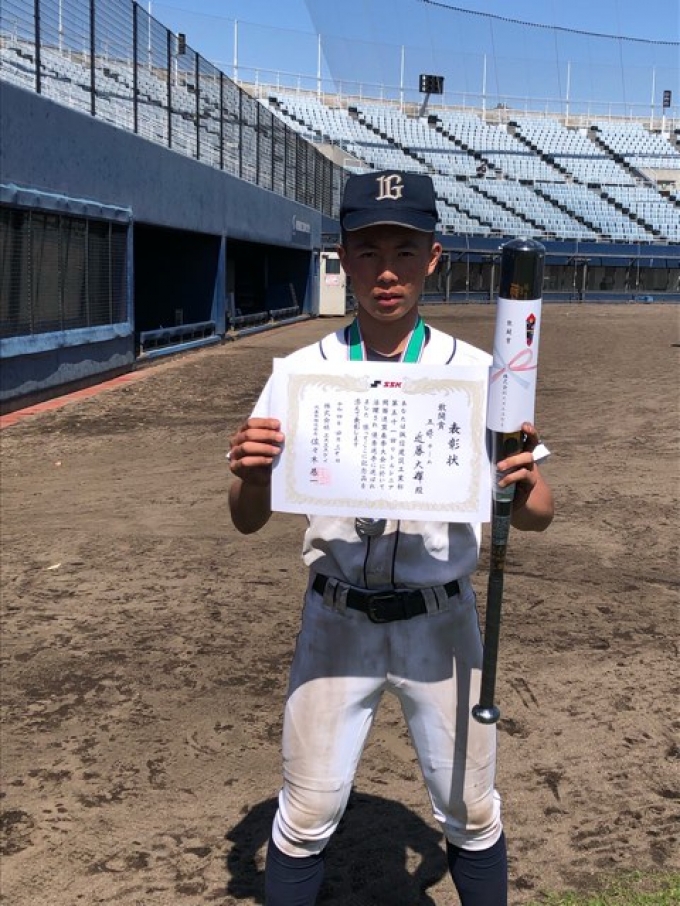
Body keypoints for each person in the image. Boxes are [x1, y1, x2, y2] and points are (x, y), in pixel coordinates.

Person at [227, 170, 554, 906]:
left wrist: (524, 480)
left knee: (471, 812)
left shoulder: (480, 375)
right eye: (368, 250)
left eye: (404, 251)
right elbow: (246, 517)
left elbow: (538, 513)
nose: (386, 271)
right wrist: (250, 473)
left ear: (432, 258)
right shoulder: (301, 374)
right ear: (342, 255)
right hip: (336, 617)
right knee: (305, 816)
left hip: (441, 621)